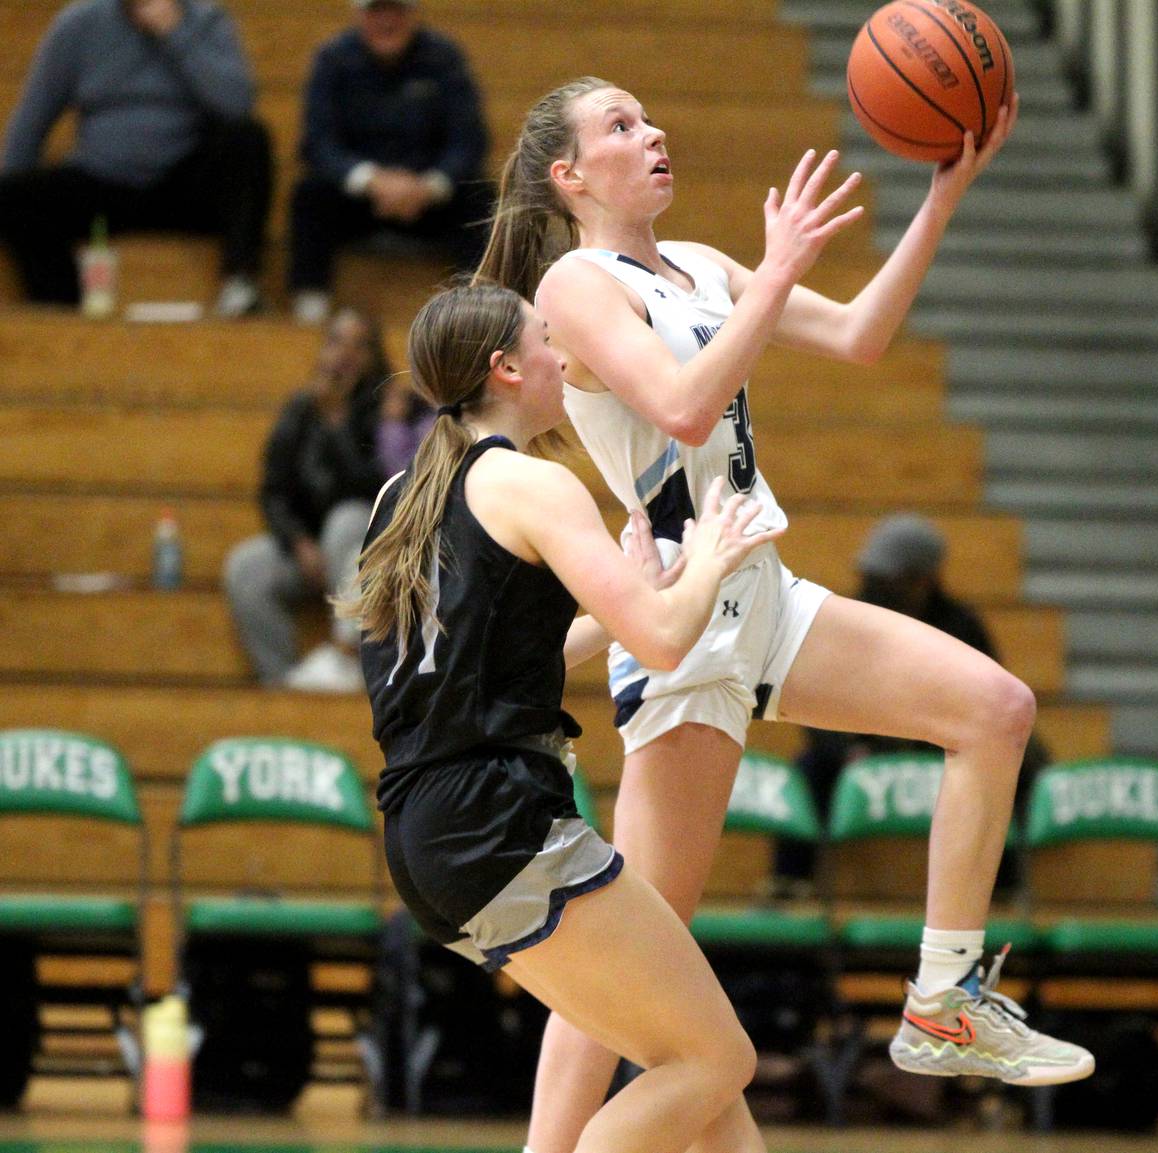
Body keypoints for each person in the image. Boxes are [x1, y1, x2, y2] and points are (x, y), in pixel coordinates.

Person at [475, 78, 1093, 1153]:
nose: (654, 129)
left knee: (995, 708)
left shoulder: (704, 265)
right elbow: (681, 406)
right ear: (570, 176)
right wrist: (778, 277)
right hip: (682, 612)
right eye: (621, 125)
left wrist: (944, 194)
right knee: (630, 961)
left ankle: (944, 1000)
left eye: (648, 115)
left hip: (764, 588)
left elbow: (858, 335)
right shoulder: (577, 283)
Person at [342, 280, 783, 1153]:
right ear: (508, 367)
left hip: (428, 835)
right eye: (547, 340)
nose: (563, 355)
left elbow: (497, 666)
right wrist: (707, 559)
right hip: (500, 821)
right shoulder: (534, 484)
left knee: (686, 1064)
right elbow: (662, 642)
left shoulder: (403, 494)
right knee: (715, 1058)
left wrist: (648, 591)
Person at [774, 513, 1050, 892]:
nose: (877, 586)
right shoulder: (852, 616)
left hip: (938, 743)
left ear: (924, 578)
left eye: (890, 579)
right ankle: (792, 881)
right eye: (874, 577)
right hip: (866, 744)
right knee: (809, 769)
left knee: (1013, 769)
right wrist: (849, 749)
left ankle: (999, 886)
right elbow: (813, 694)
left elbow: (990, 702)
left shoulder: (962, 625)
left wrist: (952, 743)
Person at [0, 0, 272, 317]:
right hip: (101, 183)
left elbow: (237, 104)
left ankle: (239, 285)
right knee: (12, 195)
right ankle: (63, 311)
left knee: (248, 138)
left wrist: (175, 33)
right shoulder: (79, 23)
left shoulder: (207, 19)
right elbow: (32, 119)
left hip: (183, 188)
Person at [288, 0, 492, 325]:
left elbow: (468, 141)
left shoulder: (444, 58)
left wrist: (429, 186)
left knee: (481, 196)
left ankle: (480, 306)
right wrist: (369, 180)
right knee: (310, 194)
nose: (386, 22)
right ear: (358, 15)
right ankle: (309, 304)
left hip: (429, 198)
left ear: (413, 14)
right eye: (375, 12)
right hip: (357, 197)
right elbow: (318, 144)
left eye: (395, 11)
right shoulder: (333, 59)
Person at [224, 307, 391, 691]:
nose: (344, 355)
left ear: (373, 357)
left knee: (345, 521)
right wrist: (297, 542)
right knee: (245, 568)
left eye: (358, 346)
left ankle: (348, 653)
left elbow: (376, 486)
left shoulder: (386, 408)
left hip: (367, 553)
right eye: (336, 342)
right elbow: (273, 491)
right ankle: (282, 687)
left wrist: (337, 426)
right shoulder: (300, 409)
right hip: (310, 549)